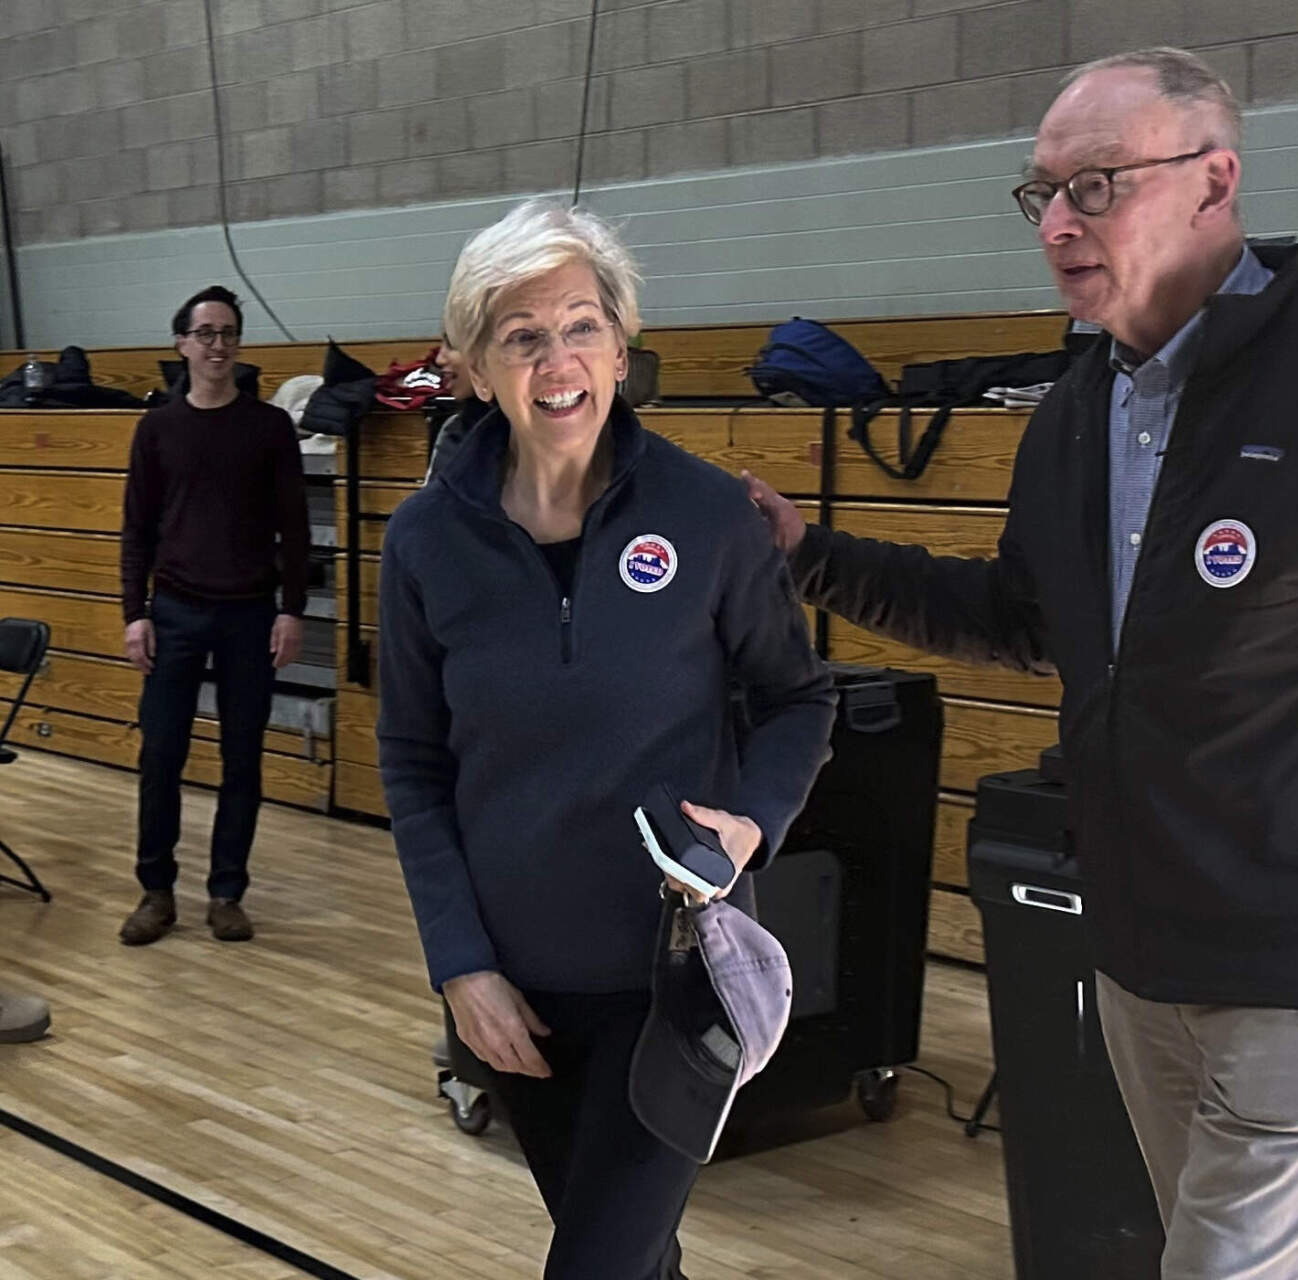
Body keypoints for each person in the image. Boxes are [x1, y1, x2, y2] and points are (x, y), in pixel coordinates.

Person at [745, 47, 1298, 1280]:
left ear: (1214, 180)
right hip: (1144, 961)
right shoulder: (1083, 408)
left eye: (1098, 185)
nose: (1061, 225)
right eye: (1043, 195)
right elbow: (1025, 618)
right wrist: (808, 552)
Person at [377, 200, 836, 1279]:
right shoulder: (424, 541)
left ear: (622, 349)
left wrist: (752, 827)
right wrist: (461, 966)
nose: (558, 358)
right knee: (637, 1261)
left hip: (675, 976)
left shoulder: (709, 512)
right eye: (522, 335)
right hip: (516, 990)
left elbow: (797, 696)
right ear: (476, 368)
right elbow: (411, 762)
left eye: (582, 325)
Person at [118, 285, 308, 947]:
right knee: (161, 754)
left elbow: (294, 528)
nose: (217, 345)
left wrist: (291, 610)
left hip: (250, 614)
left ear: (237, 344)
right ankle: (156, 890)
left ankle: (227, 892)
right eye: (205, 333)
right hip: (172, 611)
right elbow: (136, 528)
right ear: (182, 344)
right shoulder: (158, 428)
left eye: (227, 333)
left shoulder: (269, 428)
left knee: (241, 760)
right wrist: (133, 613)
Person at [423, 337, 486, 482]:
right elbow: (435, 500)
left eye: (451, 345)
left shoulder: (532, 429)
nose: (439, 359)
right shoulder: (454, 427)